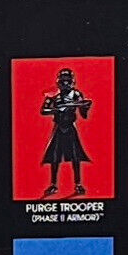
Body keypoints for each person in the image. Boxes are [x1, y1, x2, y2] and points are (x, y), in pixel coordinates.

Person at [39, 67, 93, 197]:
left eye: (68, 81)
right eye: (63, 81)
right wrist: (57, 110)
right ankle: (53, 184)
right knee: (55, 157)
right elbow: (43, 110)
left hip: (71, 128)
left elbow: (83, 114)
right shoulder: (53, 95)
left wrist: (85, 107)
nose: (65, 83)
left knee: (75, 156)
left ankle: (78, 184)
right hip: (58, 128)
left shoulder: (76, 95)